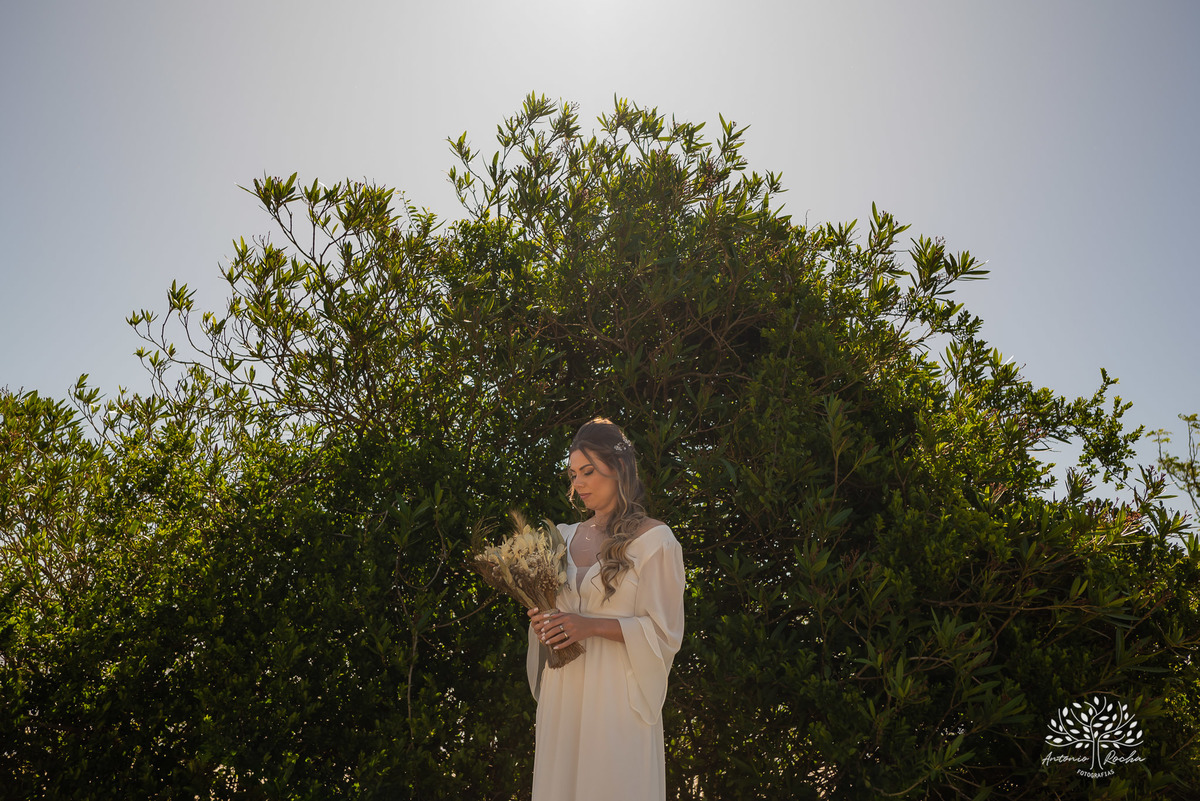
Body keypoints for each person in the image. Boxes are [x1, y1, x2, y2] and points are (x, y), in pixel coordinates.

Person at [525, 417, 686, 801]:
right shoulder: (561, 537)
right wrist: (544, 622)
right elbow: (556, 612)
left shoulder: (656, 541)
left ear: (618, 468)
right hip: (564, 694)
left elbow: (664, 633)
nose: (578, 483)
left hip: (616, 698)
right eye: (573, 474)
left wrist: (591, 626)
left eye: (588, 471)